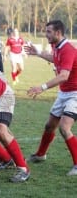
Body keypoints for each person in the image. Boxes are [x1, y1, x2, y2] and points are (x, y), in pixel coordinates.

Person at [25, 20, 77, 176]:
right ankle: (40, 155)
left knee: (64, 127)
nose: (45, 34)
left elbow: (64, 76)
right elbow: (55, 58)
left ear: (58, 33)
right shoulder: (56, 46)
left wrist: (41, 88)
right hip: (64, 93)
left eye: (48, 31)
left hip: (75, 93)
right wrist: (38, 53)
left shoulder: (68, 49)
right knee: (49, 126)